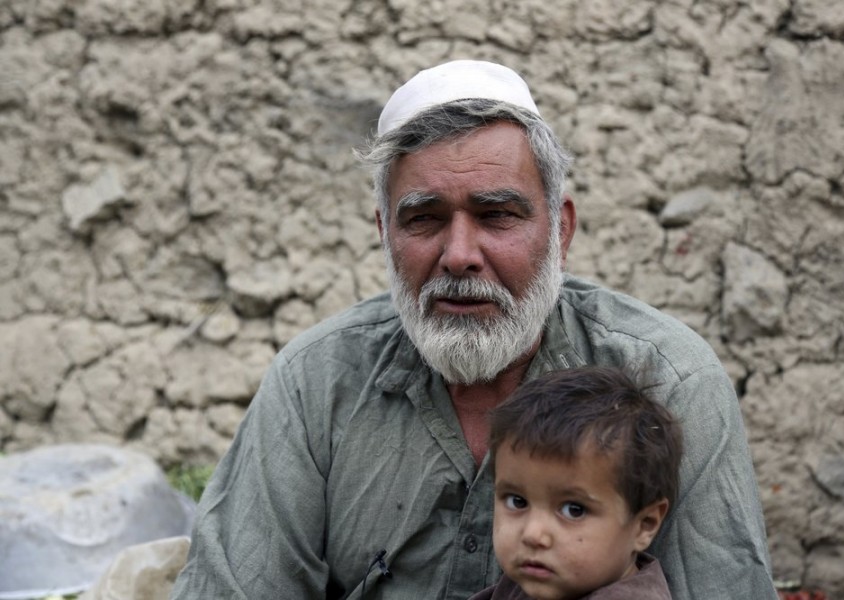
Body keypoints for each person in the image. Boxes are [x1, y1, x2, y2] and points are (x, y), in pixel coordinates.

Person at [170, 59, 777, 599]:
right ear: (384, 233)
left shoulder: (667, 381)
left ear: (560, 230)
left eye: (496, 215)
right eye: (424, 219)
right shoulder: (317, 382)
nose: (459, 255)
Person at [469, 366, 682, 600]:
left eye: (574, 510)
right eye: (517, 501)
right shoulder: (532, 581)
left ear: (644, 525)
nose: (533, 534)